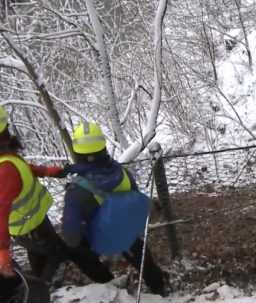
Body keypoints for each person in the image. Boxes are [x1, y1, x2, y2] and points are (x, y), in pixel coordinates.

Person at [0, 105, 110, 283]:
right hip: (30, 228)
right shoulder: (5, 167)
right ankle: (104, 281)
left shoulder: (6, 158)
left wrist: (49, 171)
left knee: (41, 260)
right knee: (62, 252)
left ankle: (41, 290)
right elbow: (1, 210)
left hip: (32, 224)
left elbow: (22, 169)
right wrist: (3, 252)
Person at [62, 121, 166, 295]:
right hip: (128, 232)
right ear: (103, 147)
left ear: (77, 152)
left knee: (74, 249)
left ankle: (109, 284)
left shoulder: (77, 191)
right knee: (140, 254)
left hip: (102, 238)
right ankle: (158, 286)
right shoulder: (121, 172)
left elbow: (71, 237)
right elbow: (134, 198)